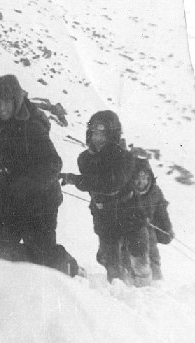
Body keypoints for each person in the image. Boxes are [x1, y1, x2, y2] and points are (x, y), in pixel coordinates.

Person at [0, 74, 79, 276]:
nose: (1, 108)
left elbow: (54, 163)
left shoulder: (32, 127)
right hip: (14, 199)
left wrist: (26, 183)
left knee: (42, 254)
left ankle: (69, 267)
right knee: (3, 246)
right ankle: (27, 275)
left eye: (6, 102)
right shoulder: (2, 126)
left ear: (16, 101)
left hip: (41, 202)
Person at [61, 110, 151, 286]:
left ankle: (146, 290)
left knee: (139, 258)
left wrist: (75, 180)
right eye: (94, 133)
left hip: (130, 213)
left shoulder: (125, 157)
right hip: (104, 216)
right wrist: (78, 179)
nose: (97, 138)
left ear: (112, 135)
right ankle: (118, 292)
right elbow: (94, 183)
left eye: (103, 134)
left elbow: (111, 184)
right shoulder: (84, 159)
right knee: (111, 265)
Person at [128, 157, 173, 281]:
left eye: (144, 178)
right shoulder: (127, 191)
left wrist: (167, 229)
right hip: (129, 231)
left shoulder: (155, 192)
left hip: (149, 231)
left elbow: (162, 212)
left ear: (149, 178)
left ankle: (156, 282)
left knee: (153, 256)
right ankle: (130, 282)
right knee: (132, 258)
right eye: (137, 178)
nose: (141, 182)